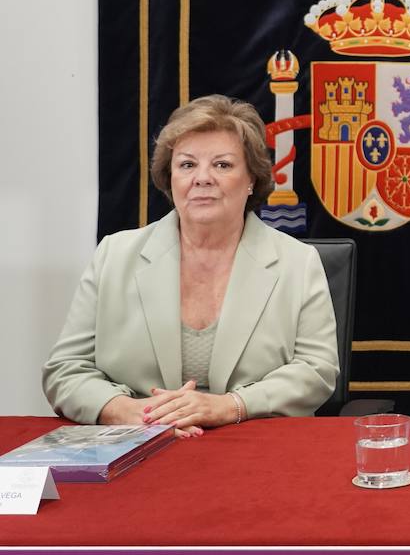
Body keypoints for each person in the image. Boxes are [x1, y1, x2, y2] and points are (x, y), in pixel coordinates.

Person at [43, 95, 339, 436]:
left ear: (252, 180)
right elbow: (65, 370)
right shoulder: (115, 254)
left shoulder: (297, 262)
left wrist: (228, 406)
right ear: (170, 178)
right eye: (187, 165)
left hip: (256, 447)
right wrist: (128, 412)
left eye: (222, 165)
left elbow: (316, 371)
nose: (202, 178)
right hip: (138, 446)